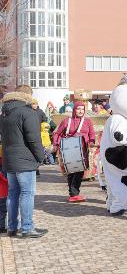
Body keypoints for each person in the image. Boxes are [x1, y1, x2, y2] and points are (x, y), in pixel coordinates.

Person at [0, 85, 47, 238]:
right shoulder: (27, 112)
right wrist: (41, 157)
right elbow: (34, 139)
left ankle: (12, 227)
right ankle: (27, 228)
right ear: (28, 96)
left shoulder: (4, 113)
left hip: (9, 160)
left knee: (13, 194)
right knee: (27, 193)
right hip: (25, 160)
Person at [52, 102, 96, 202]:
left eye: (82, 109)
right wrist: (55, 144)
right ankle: (73, 194)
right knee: (71, 170)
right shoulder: (67, 121)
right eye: (78, 109)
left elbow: (92, 134)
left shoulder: (87, 121)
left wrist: (92, 142)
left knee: (79, 171)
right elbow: (57, 133)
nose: (80, 111)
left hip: (82, 149)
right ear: (74, 110)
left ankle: (73, 193)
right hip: (68, 149)